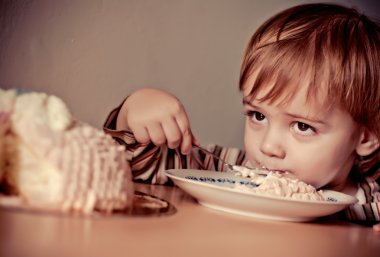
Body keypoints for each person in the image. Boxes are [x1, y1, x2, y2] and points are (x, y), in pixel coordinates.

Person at [103, 3, 380, 229]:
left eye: (302, 126)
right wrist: (132, 114)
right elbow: (139, 167)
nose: (268, 147)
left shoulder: (373, 205)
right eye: (258, 116)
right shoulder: (232, 170)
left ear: (367, 137)